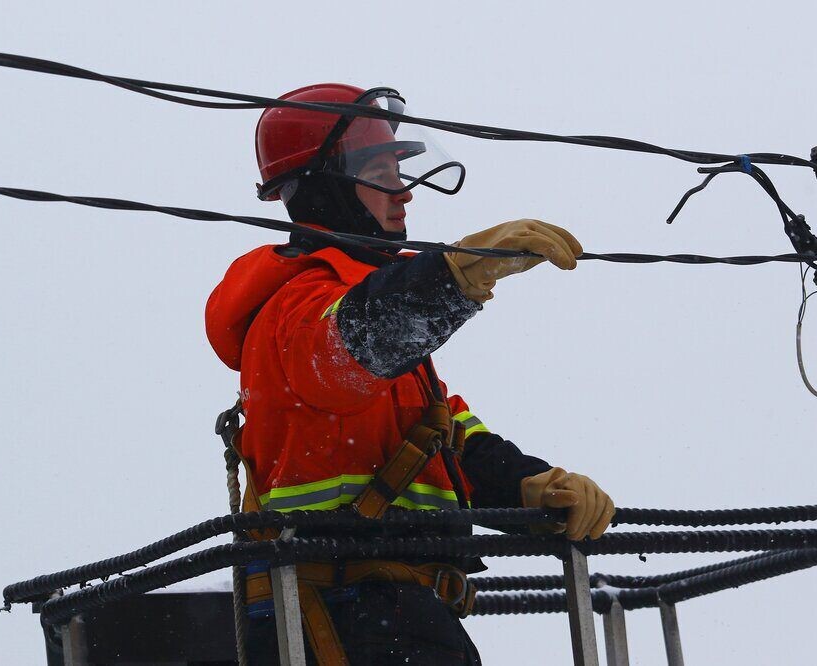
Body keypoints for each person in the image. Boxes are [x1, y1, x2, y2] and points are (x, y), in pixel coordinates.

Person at [205, 83, 615, 665]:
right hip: (346, 609)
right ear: (329, 188)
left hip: (387, 606)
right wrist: (451, 279)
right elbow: (347, 351)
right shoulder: (296, 307)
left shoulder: (371, 319)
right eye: (381, 172)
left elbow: (443, 436)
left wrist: (531, 487)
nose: (404, 194)